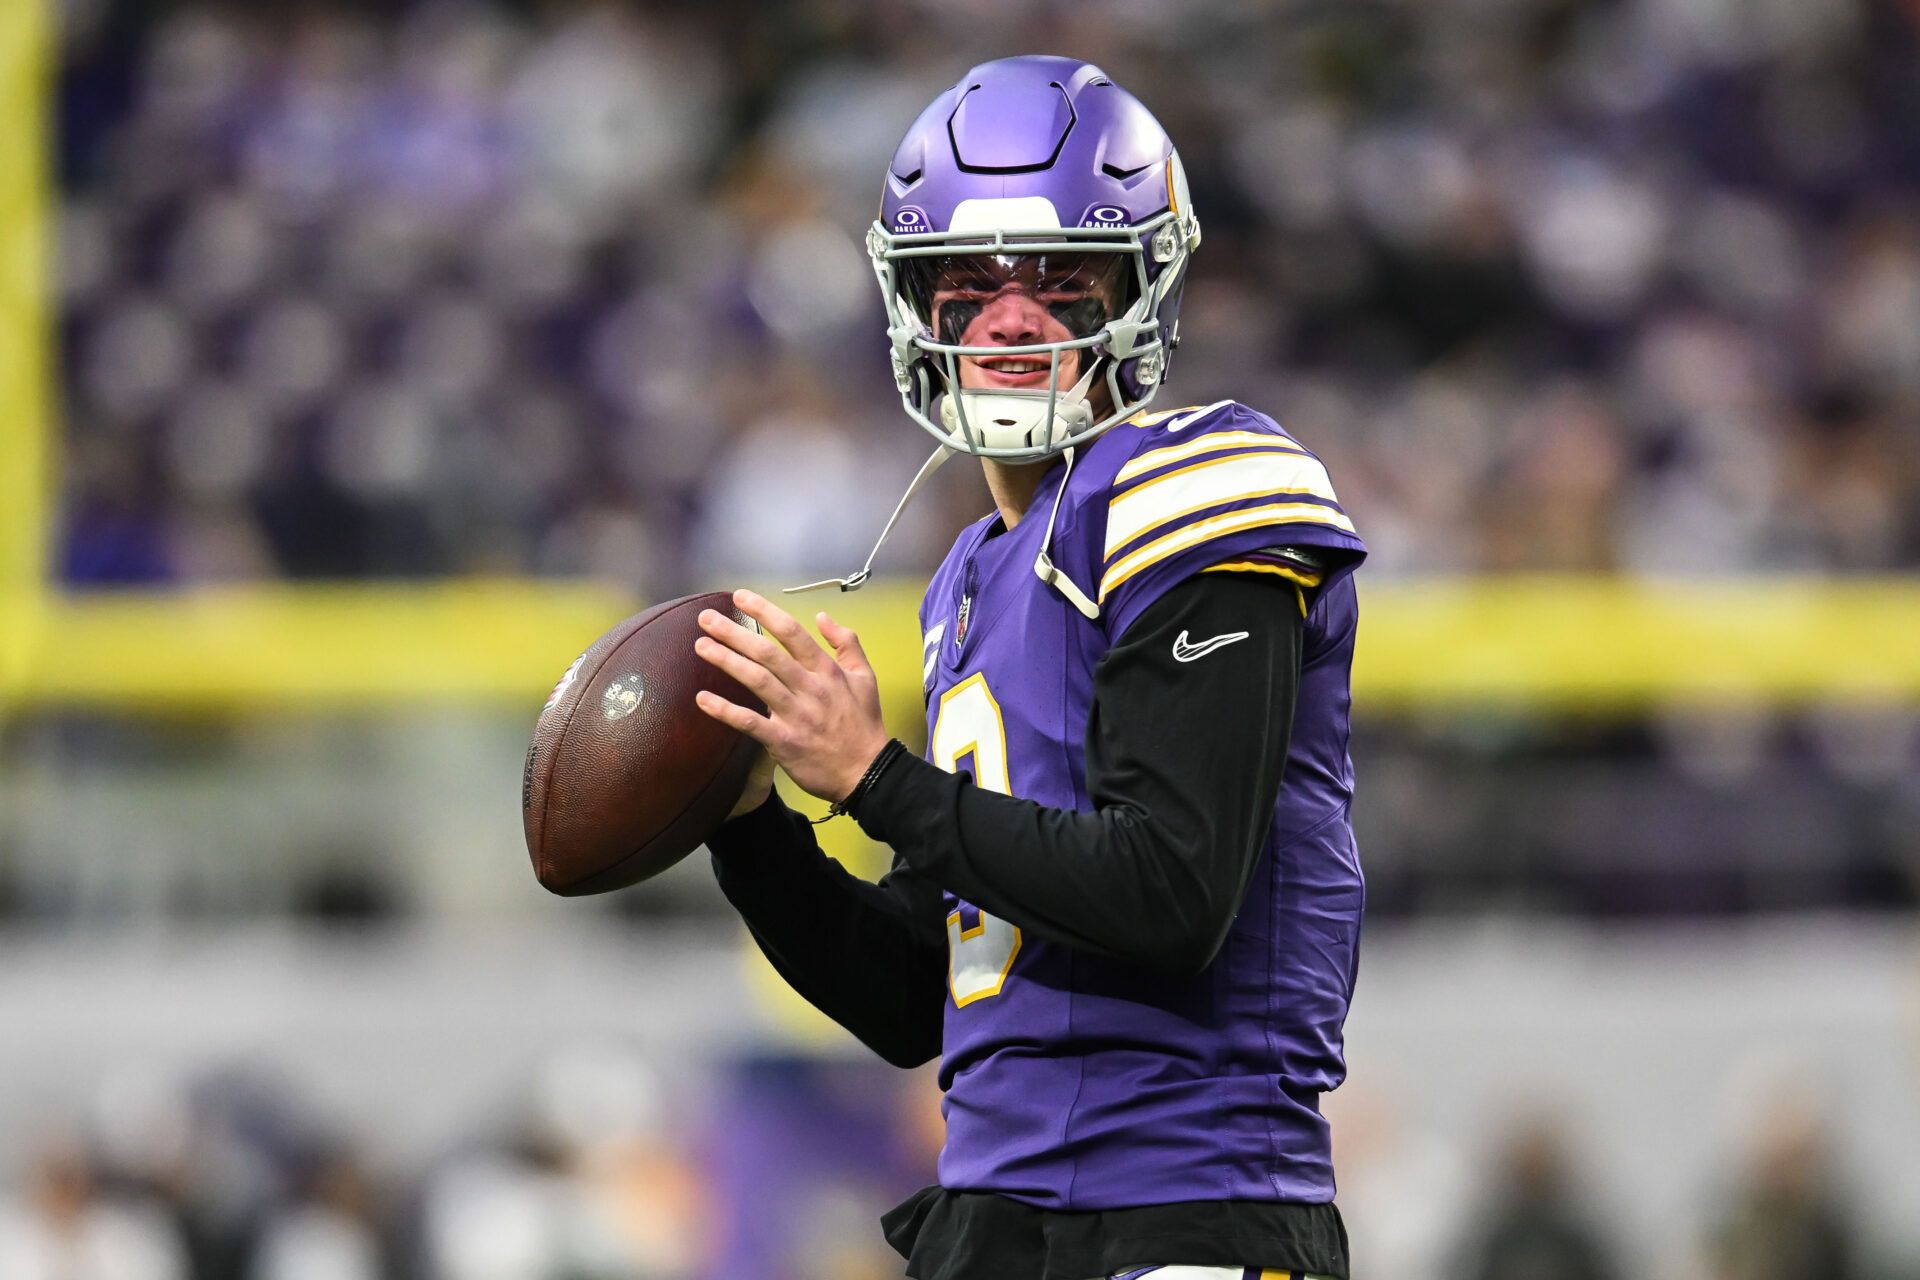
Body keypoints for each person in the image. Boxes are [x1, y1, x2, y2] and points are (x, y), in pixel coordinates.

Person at [693, 55, 1365, 1280]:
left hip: (1188, 1203)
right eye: (972, 283)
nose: (1012, 320)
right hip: (996, 1215)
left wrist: (873, 778)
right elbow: (919, 998)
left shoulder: (1207, 484)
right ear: (916, 302)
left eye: (1063, 280)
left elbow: (1171, 886)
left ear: (1143, 284)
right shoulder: (965, 576)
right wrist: (752, 825)